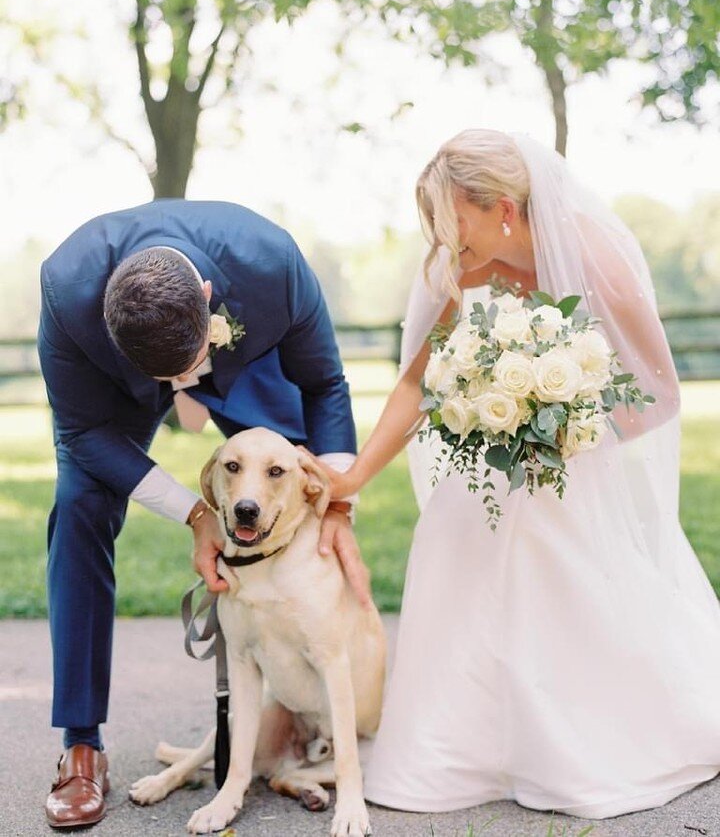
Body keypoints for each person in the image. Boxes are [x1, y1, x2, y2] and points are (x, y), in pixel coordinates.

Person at [322, 130, 720, 819]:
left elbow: (659, 392)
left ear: (503, 209)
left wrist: (562, 428)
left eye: (456, 223)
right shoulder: (464, 270)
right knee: (450, 546)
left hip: (572, 467)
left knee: (563, 575)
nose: (446, 242)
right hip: (488, 468)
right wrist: (355, 477)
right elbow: (418, 384)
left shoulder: (596, 258)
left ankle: (579, 745)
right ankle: (464, 752)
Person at [38, 199, 367, 830]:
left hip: (249, 373)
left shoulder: (272, 263)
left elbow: (325, 385)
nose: (182, 382)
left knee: (297, 499)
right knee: (79, 506)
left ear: (210, 295)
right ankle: (82, 744)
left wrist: (339, 503)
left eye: (185, 364)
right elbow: (82, 432)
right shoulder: (65, 288)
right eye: (170, 375)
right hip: (112, 404)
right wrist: (197, 512)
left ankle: (306, 717)